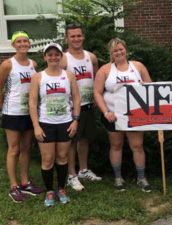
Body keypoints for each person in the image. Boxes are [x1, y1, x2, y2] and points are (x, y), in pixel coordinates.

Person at [94, 38, 152, 192]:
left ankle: (141, 178)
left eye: (121, 49)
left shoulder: (138, 67)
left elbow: (151, 88)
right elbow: (97, 92)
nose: (118, 52)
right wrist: (106, 112)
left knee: (137, 146)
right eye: (115, 51)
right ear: (111, 54)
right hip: (114, 115)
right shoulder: (105, 70)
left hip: (136, 115)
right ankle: (118, 178)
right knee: (116, 145)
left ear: (126, 49)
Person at [29, 43, 80, 207]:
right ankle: (50, 191)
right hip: (46, 124)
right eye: (50, 54)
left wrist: (75, 120)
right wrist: (36, 126)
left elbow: (77, 98)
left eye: (56, 54)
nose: (53, 57)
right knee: (48, 159)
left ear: (61, 56)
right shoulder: (38, 77)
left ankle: (62, 188)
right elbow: (32, 102)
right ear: (45, 57)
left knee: (63, 157)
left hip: (65, 123)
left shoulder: (69, 75)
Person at [0, 31, 43, 203]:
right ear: (14, 45)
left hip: (29, 112)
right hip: (12, 111)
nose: (23, 44)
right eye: (19, 41)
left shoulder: (33, 64)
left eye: (25, 41)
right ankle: (14, 186)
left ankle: (25, 182)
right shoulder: (7, 64)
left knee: (26, 148)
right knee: (14, 149)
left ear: (29, 44)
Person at [61, 24, 101, 192]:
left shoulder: (91, 57)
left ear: (83, 37)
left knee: (84, 139)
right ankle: (71, 175)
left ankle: (83, 170)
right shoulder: (63, 58)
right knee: (71, 142)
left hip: (88, 105)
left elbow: (98, 79)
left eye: (79, 35)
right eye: (72, 36)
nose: (76, 39)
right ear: (66, 38)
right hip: (70, 108)